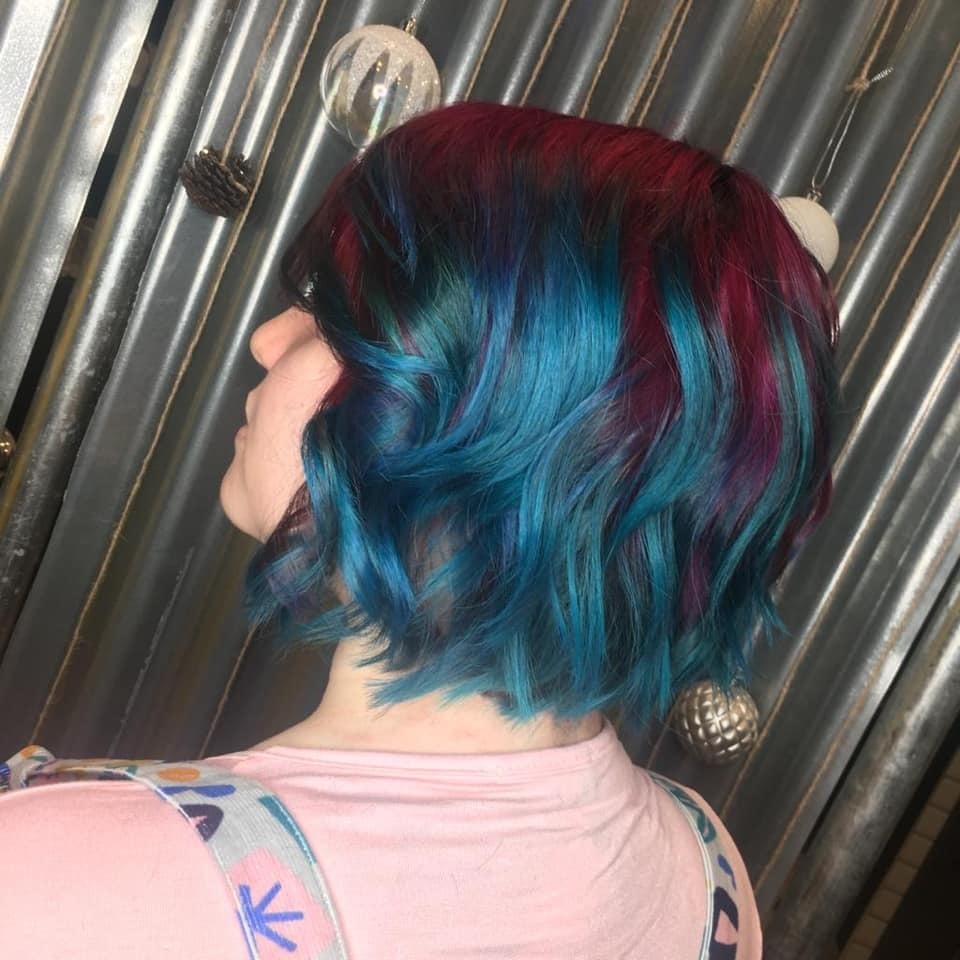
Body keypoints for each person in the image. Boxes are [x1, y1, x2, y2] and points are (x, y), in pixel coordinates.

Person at [0, 100, 840, 958]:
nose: (267, 340)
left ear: (485, 428)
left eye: (332, 313)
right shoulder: (708, 877)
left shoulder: (73, 886)